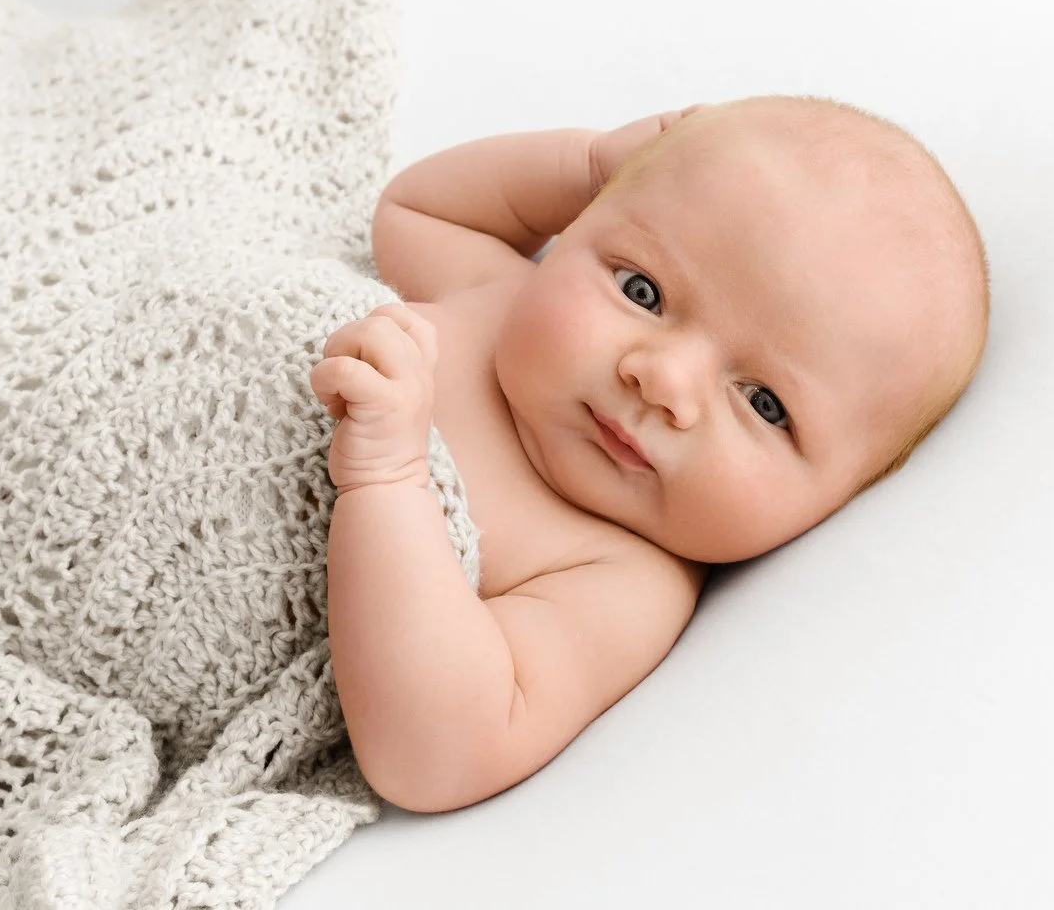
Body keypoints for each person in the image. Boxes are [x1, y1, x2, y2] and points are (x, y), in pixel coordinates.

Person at [309, 94, 990, 813]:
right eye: (643, 290)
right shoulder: (506, 294)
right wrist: (590, 163)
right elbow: (415, 212)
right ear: (578, 228)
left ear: (838, 502)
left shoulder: (620, 580)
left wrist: (388, 479)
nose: (663, 381)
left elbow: (438, 752)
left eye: (764, 403)